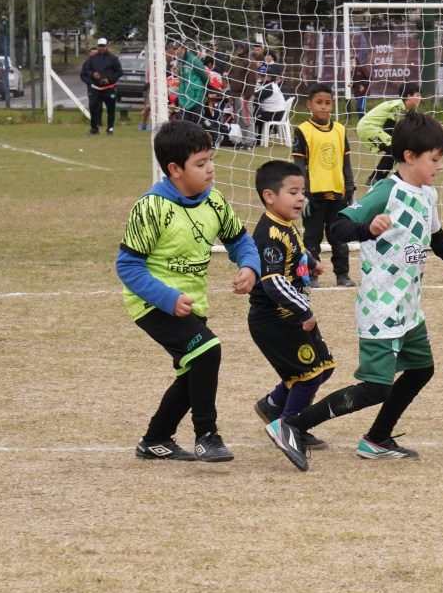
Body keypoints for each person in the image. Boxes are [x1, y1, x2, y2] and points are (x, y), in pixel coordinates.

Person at [272, 112, 443, 463]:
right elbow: (338, 227)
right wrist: (367, 229)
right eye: (435, 158)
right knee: (376, 387)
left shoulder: (427, 194)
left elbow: (438, 238)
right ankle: (292, 424)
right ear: (411, 156)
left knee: (421, 370)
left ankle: (378, 439)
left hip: (409, 306)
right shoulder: (386, 191)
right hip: (380, 306)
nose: (441, 165)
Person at [115, 120, 260, 462]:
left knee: (193, 370)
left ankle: (155, 439)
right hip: (152, 304)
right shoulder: (151, 207)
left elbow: (239, 240)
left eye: (210, 160)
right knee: (208, 351)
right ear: (174, 170)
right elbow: (128, 266)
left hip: (192, 303)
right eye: (200, 164)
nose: (210, 169)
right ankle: (206, 435)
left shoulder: (215, 202)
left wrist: (248, 265)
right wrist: (166, 298)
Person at [247, 160, 336, 471]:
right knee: (309, 373)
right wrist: (304, 310)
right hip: (275, 319)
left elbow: (295, 250)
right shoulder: (269, 233)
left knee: (322, 369)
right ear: (269, 196)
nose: (301, 199)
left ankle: (272, 405)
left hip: (291, 314)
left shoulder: (285, 224)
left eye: (303, 192)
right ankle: (288, 428)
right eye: (294, 192)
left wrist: (311, 262)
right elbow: (272, 282)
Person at [291, 82, 355, 287]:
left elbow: (346, 162)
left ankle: (342, 275)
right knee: (312, 238)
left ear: (332, 105)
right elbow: (299, 164)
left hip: (338, 194)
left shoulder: (340, 130)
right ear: (309, 104)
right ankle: (311, 275)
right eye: (319, 103)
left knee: (340, 239)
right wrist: (303, 192)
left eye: (328, 103)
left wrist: (350, 188)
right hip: (314, 196)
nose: (323, 107)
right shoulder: (303, 131)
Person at [356, 82, 422, 186]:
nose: (420, 98)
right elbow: (388, 128)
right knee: (396, 150)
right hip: (368, 127)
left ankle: (376, 178)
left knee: (398, 151)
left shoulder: (405, 109)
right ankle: (376, 179)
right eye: (417, 95)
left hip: (370, 128)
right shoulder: (398, 106)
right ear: (408, 96)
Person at [80, 37, 122, 135]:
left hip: (109, 88)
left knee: (111, 108)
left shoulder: (113, 59)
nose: (101, 48)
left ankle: (110, 128)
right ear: (98, 46)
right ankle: (94, 128)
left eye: (103, 46)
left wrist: (109, 80)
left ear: (107, 46)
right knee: (93, 107)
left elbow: (119, 72)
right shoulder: (92, 59)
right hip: (95, 89)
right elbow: (86, 71)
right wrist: (92, 75)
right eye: (100, 46)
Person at [168, 40, 208, 127]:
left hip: (196, 95)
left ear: (184, 48)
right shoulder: (180, 61)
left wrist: (203, 90)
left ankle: (215, 133)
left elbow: (204, 77)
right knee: (184, 122)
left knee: (199, 120)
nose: (175, 51)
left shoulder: (194, 60)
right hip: (185, 96)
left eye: (176, 49)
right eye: (173, 49)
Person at [253, 64, 291, 147]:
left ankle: (256, 139)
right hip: (277, 113)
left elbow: (255, 95)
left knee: (254, 117)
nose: (260, 78)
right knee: (257, 116)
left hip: (275, 114)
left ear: (269, 78)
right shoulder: (271, 85)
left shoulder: (269, 87)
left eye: (263, 76)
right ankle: (259, 138)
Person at [226, 42, 257, 136]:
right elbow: (232, 79)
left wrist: (247, 96)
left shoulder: (250, 61)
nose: (239, 48)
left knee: (247, 119)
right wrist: (231, 94)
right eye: (238, 47)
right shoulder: (236, 61)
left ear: (246, 48)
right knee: (239, 120)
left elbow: (252, 80)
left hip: (245, 96)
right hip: (236, 95)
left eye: (241, 47)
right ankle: (243, 141)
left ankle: (249, 142)